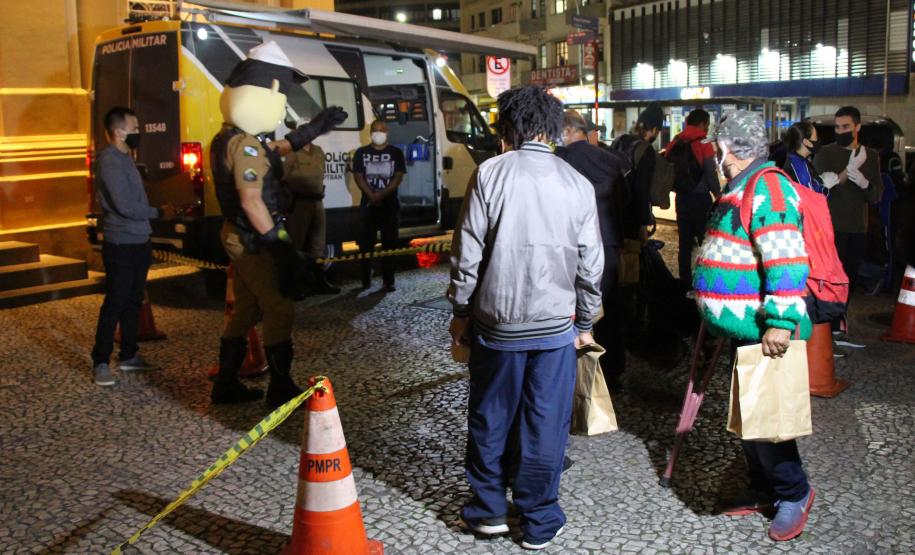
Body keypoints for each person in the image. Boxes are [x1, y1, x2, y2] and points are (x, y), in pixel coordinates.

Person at [448, 86, 603, 551]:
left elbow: (467, 252)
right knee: (545, 423)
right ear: (551, 128)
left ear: (508, 128)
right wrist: (585, 322)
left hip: (497, 325)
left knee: (490, 416)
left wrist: (461, 309)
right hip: (555, 329)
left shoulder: (490, 173)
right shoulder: (576, 183)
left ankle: (489, 510)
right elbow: (590, 262)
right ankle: (539, 518)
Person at [693, 110, 814, 542]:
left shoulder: (769, 187)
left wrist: (780, 322)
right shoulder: (743, 185)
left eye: (717, 147)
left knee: (769, 417)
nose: (715, 155)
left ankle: (794, 492)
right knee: (750, 415)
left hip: (765, 332)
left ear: (729, 148)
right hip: (744, 329)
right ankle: (764, 489)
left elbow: (787, 258)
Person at [209, 41, 345, 406]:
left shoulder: (231, 138)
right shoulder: (245, 145)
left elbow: (275, 149)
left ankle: (226, 383)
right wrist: (277, 243)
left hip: (239, 233)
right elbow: (252, 199)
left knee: (247, 308)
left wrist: (311, 131)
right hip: (253, 237)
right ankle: (280, 387)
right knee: (279, 306)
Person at [90, 106, 174, 387]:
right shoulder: (109, 162)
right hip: (121, 243)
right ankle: (101, 361)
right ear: (119, 132)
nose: (139, 132)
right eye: (135, 128)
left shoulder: (126, 158)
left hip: (139, 239)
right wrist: (158, 212)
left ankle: (128, 354)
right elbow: (124, 206)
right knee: (116, 300)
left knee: (134, 299)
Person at [556, 109, 629, 390]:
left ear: (568, 131)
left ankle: (576, 372)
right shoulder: (611, 160)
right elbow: (625, 201)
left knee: (575, 306)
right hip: (608, 241)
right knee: (609, 307)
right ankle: (613, 370)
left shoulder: (561, 162)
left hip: (575, 243)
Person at [813, 106, 883, 345]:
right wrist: (848, 170)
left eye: (846, 127)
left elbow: (876, 195)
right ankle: (830, 326)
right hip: (831, 227)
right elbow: (820, 189)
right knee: (832, 278)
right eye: (837, 127)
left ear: (857, 127)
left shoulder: (870, 155)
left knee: (850, 277)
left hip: (858, 226)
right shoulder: (825, 153)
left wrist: (865, 184)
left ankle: (839, 324)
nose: (840, 131)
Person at [665, 109, 721, 286]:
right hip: (701, 199)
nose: (707, 128)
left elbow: (668, 165)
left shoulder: (676, 140)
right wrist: (718, 195)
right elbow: (710, 173)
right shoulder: (703, 142)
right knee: (706, 242)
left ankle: (684, 281)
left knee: (685, 243)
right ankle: (705, 281)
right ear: (702, 123)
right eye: (707, 125)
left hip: (682, 198)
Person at [282, 133, 340, 294]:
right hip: (299, 203)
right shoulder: (291, 152)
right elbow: (282, 177)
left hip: (317, 202)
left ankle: (319, 281)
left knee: (318, 244)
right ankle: (295, 285)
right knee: (297, 244)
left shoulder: (318, 150)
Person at [353, 120, 406, 292]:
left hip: (389, 204)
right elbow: (358, 176)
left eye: (381, 130)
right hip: (368, 204)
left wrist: (382, 194)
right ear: (370, 133)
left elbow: (398, 176)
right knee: (365, 243)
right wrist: (371, 194)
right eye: (375, 130)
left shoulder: (396, 153)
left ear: (387, 132)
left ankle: (388, 280)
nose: (378, 133)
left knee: (389, 243)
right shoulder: (361, 153)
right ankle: (365, 279)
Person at [782, 121, 839, 194]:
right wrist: (825, 188)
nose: (818, 140)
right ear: (806, 142)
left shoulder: (799, 159)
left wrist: (820, 180)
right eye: (816, 137)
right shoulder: (799, 165)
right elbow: (809, 196)